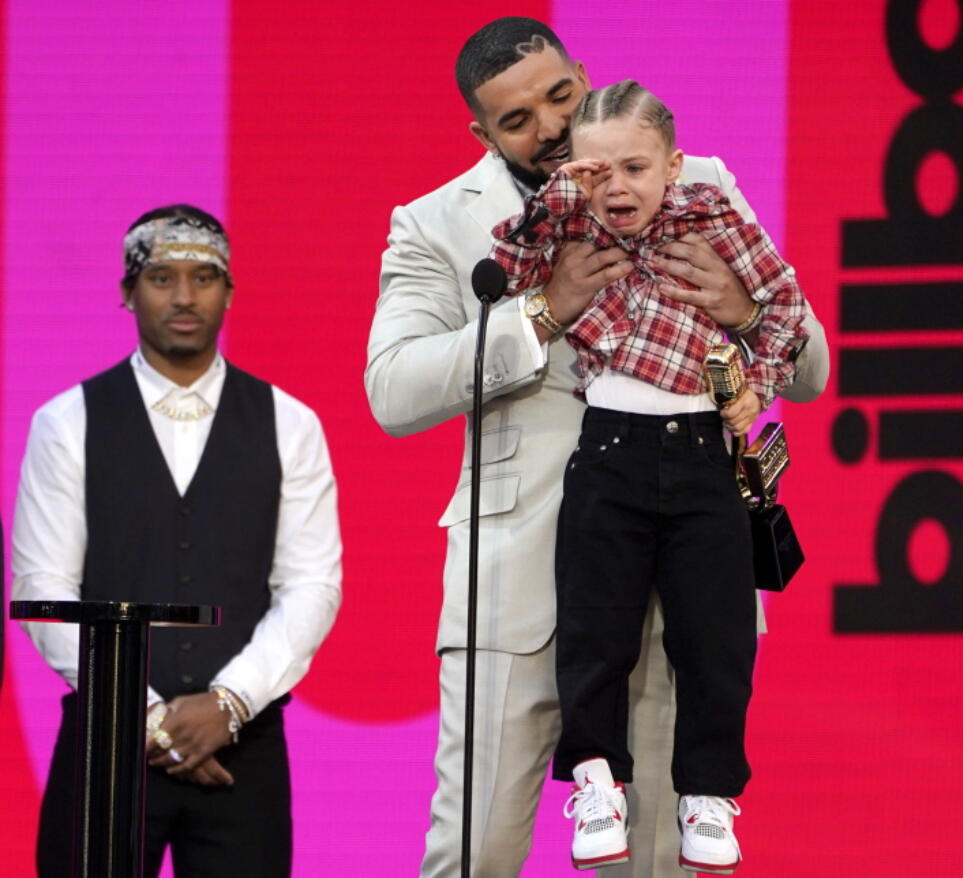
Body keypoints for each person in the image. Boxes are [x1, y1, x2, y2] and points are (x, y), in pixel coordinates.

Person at [365, 16, 829, 878]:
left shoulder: (698, 183)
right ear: (480, 132)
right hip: (515, 590)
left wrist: (740, 308)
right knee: (475, 854)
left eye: (558, 97)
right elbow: (392, 388)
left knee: (651, 862)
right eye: (516, 120)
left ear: (582, 74)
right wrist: (541, 313)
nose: (547, 128)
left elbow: (810, 370)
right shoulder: (436, 224)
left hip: (676, 577)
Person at [489, 79, 808, 874]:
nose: (616, 189)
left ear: (672, 166)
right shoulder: (565, 221)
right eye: (596, 172)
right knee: (594, 630)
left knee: (717, 638)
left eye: (634, 168)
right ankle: (596, 781)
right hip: (607, 451)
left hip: (705, 452)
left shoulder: (714, 216)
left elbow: (785, 306)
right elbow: (509, 262)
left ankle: (709, 793)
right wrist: (562, 200)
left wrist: (755, 385)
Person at [11, 204, 342, 878]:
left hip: (242, 748)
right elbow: (42, 589)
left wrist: (230, 703)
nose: (185, 296)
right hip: (105, 746)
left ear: (229, 291)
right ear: (128, 292)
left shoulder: (291, 423)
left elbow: (312, 583)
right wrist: (150, 718)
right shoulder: (65, 421)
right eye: (162, 277)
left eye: (204, 276)